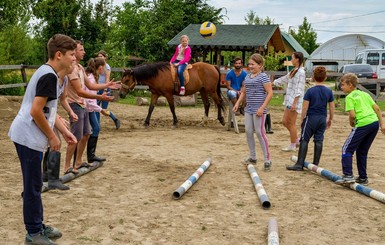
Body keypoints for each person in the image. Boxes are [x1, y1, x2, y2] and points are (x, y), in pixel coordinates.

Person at [8, 34, 77, 245]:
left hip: (31, 136)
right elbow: (35, 111)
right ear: (59, 55)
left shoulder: (53, 76)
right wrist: (51, 136)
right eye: (72, 55)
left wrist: (63, 132)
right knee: (32, 185)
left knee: (35, 183)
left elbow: (48, 111)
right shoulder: (48, 76)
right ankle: (33, 232)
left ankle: (37, 225)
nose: (75, 59)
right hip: (27, 136)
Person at [64, 41, 120, 175]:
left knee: (87, 133)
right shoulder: (71, 69)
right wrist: (101, 98)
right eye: (81, 50)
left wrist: (106, 85)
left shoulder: (80, 68)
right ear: (74, 52)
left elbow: (90, 86)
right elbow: (80, 91)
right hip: (74, 104)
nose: (84, 52)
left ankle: (78, 162)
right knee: (75, 138)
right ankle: (67, 167)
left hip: (82, 104)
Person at [335, 73, 385, 185]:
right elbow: (377, 109)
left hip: (363, 124)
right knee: (362, 151)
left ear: (350, 85)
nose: (341, 87)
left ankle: (348, 175)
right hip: (374, 124)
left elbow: (352, 115)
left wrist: (351, 123)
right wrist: (382, 125)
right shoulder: (365, 94)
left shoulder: (349, 97)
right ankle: (363, 177)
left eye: (343, 85)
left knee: (346, 149)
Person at [286, 66, 335, 171]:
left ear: (313, 77)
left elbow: (305, 107)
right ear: (325, 77)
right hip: (322, 118)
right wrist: (330, 119)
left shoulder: (310, 91)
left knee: (304, 139)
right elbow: (331, 107)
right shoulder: (329, 91)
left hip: (311, 118)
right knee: (319, 140)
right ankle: (316, 163)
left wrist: (302, 119)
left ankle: (299, 163)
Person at [233, 53, 273, 171]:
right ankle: (253, 157)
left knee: (260, 133)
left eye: (253, 64)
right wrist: (237, 103)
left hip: (259, 109)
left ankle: (267, 160)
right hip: (249, 109)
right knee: (248, 131)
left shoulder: (264, 77)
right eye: (249, 64)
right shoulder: (247, 77)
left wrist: (262, 108)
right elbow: (244, 91)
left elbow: (270, 93)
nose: (250, 66)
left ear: (260, 65)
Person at [42, 66, 79, 191]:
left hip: (50, 114)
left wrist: (70, 112)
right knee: (53, 142)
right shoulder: (52, 79)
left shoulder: (65, 80)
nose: (75, 65)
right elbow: (44, 104)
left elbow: (62, 99)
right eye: (72, 59)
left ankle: (48, 177)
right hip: (43, 114)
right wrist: (57, 117)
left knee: (55, 142)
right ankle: (50, 178)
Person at [273, 52, 306, 151]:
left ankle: (293, 145)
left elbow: (299, 89)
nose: (291, 60)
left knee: (291, 123)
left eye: (292, 58)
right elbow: (285, 79)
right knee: (284, 121)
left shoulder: (301, 73)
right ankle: (296, 140)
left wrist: (294, 103)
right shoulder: (294, 71)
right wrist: (273, 83)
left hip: (294, 102)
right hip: (289, 100)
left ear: (297, 59)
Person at [85, 57, 108, 164]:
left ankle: (91, 155)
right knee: (93, 129)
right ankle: (90, 156)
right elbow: (89, 100)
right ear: (100, 67)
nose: (104, 69)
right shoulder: (90, 79)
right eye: (104, 66)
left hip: (90, 108)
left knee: (96, 128)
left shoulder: (93, 77)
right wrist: (101, 109)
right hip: (87, 109)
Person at [96, 50, 120, 129]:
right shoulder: (97, 66)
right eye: (98, 56)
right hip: (98, 88)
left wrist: (105, 90)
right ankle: (97, 125)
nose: (99, 58)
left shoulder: (107, 67)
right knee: (96, 108)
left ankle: (115, 119)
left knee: (104, 110)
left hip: (104, 89)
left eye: (101, 56)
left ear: (105, 58)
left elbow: (107, 79)